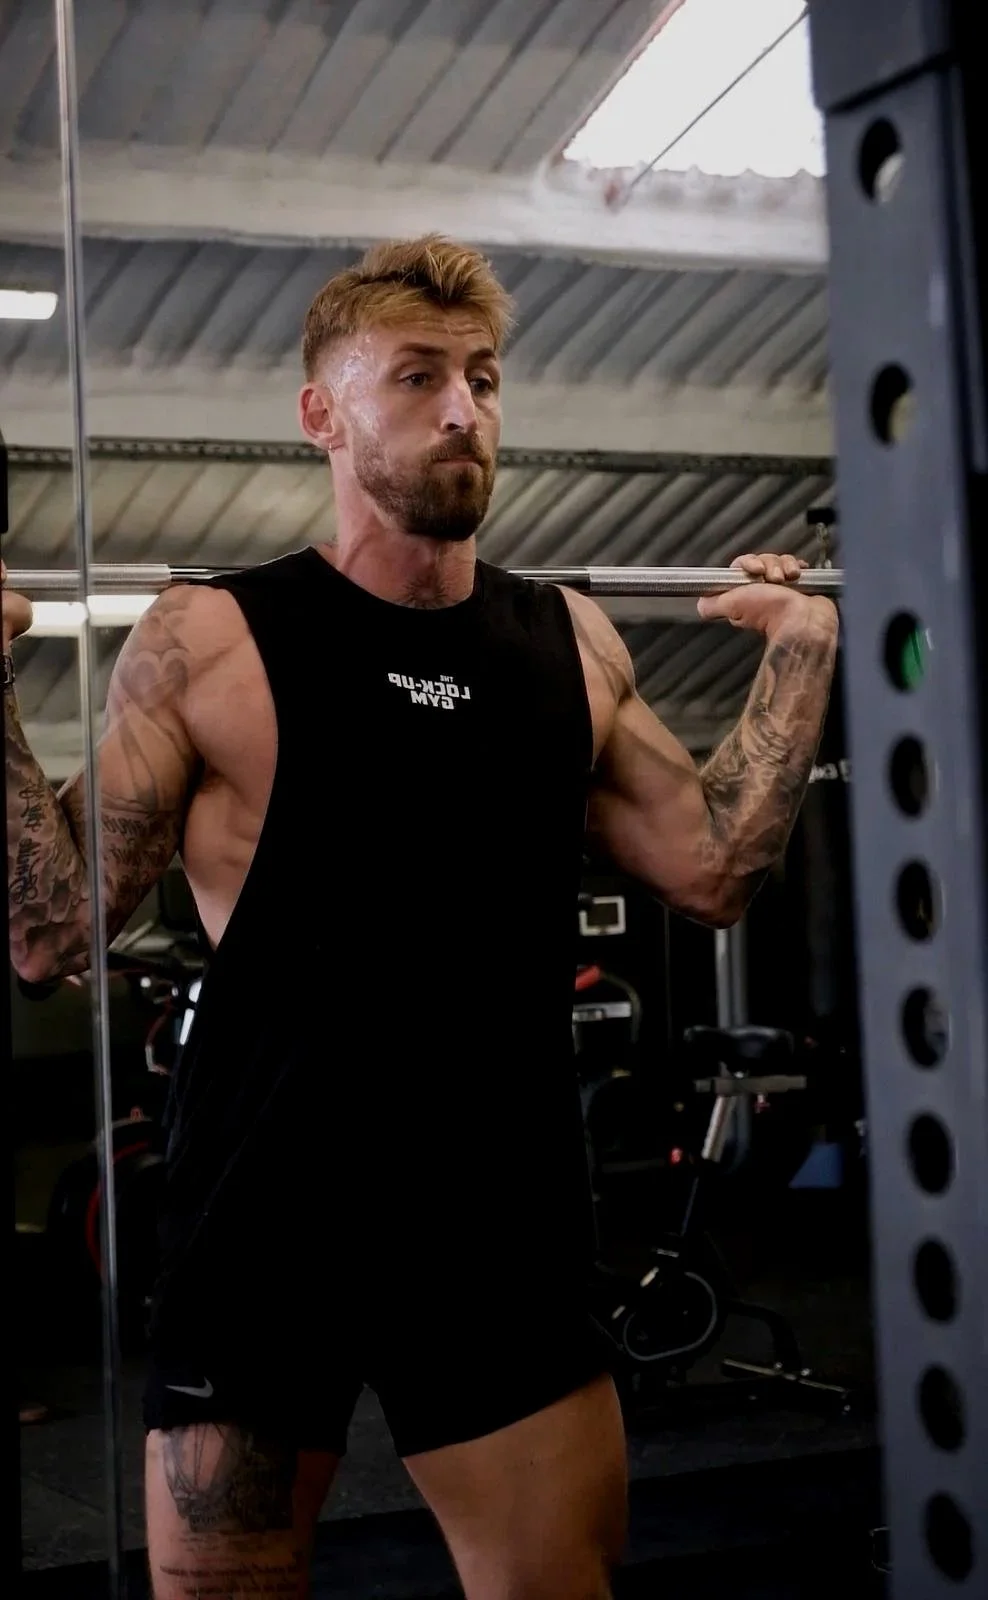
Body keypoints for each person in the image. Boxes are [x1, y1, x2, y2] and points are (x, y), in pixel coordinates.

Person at [3, 233, 839, 1600]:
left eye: (486, 378)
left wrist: (800, 661)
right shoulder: (210, 642)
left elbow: (714, 870)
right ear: (322, 416)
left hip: (496, 1211)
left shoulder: (570, 642)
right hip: (269, 1204)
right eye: (417, 377)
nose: (466, 410)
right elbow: (53, 931)